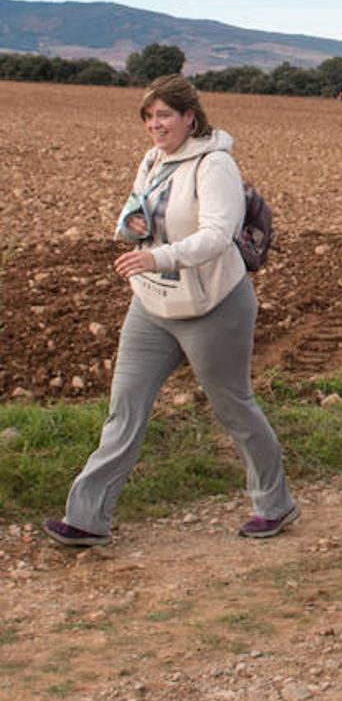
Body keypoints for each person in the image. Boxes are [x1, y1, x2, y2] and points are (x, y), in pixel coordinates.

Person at [44, 74, 298, 547]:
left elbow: (219, 234)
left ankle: (275, 504)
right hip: (153, 303)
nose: (154, 125)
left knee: (233, 407)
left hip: (213, 305)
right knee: (125, 408)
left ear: (189, 117)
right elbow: (135, 207)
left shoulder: (215, 163)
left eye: (164, 115)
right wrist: (129, 223)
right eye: (148, 116)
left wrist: (158, 256)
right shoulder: (154, 158)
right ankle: (87, 519)